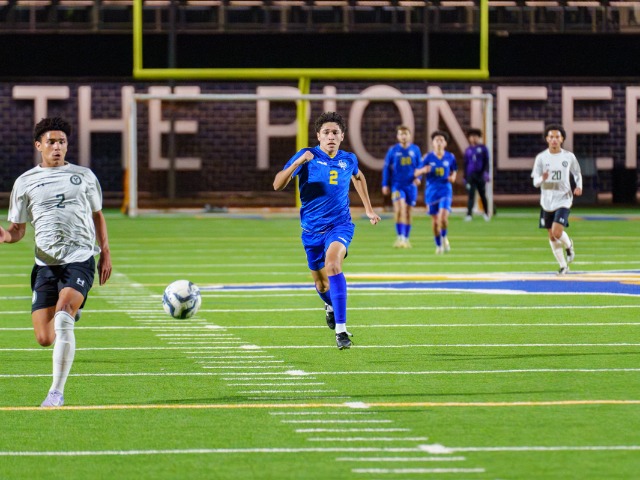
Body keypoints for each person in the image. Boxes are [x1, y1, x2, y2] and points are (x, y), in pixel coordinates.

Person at [0, 117, 112, 407]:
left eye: (62, 141)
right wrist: (4, 236)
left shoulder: (84, 176)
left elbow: (97, 214)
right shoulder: (25, 182)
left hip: (80, 259)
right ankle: (73, 309)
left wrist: (105, 252)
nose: (57, 146)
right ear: (39, 145)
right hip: (45, 265)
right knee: (44, 338)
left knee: (63, 317)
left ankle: (56, 393)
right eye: (51, 142)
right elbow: (18, 230)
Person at [273, 112, 381, 350]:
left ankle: (341, 330)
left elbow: (359, 177)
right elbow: (277, 184)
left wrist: (369, 209)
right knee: (322, 286)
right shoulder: (307, 155)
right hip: (311, 230)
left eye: (335, 133)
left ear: (342, 136)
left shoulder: (348, 159)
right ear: (318, 136)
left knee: (333, 264)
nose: (331, 136)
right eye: (326, 133)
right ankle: (329, 304)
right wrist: (299, 163)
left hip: (340, 225)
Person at [531, 124, 582, 275]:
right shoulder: (541, 158)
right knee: (551, 235)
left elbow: (577, 173)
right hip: (547, 201)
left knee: (557, 231)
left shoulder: (568, 156)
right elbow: (535, 182)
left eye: (557, 137)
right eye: (551, 137)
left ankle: (569, 246)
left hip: (563, 199)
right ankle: (563, 266)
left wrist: (579, 186)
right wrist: (542, 178)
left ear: (562, 139)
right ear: (547, 139)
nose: (554, 139)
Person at [414, 130, 457, 254]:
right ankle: (438, 244)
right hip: (432, 192)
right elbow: (416, 172)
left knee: (443, 218)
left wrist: (453, 177)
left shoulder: (450, 157)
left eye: (441, 140)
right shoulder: (427, 157)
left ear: (445, 143)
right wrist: (423, 171)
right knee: (435, 221)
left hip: (445, 190)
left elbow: (454, 170)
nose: (439, 142)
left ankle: (444, 237)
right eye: (436, 140)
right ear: (432, 143)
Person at [381, 125, 422, 248]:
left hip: (411, 186)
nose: (403, 136)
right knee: (400, 209)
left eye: (405, 134)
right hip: (397, 185)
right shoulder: (393, 150)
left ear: (409, 136)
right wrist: (385, 184)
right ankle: (400, 237)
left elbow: (419, 166)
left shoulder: (415, 150)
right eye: (401, 134)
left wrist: (419, 178)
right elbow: (386, 168)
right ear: (398, 136)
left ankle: (406, 238)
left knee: (408, 212)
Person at [463, 128, 491, 222]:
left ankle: (486, 213)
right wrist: (465, 176)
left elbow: (486, 162)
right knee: (471, 195)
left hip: (480, 175)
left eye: (475, 136)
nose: (473, 138)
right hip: (471, 175)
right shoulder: (468, 150)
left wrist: (486, 173)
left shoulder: (483, 148)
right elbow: (465, 163)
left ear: (479, 138)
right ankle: (469, 214)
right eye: (472, 136)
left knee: (482, 194)